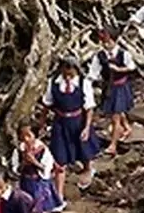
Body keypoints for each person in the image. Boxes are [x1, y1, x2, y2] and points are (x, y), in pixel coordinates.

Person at [42, 54, 101, 197]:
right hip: (60, 121)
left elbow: (89, 108)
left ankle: (88, 168)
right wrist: (42, 123)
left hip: (77, 120)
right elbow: (47, 104)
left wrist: (86, 127)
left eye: (71, 73)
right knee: (59, 156)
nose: (68, 76)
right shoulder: (54, 83)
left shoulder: (82, 83)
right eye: (65, 72)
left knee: (83, 148)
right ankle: (59, 194)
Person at [10, 122, 64, 213]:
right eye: (22, 136)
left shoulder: (42, 149)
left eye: (28, 135)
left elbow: (47, 167)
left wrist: (35, 162)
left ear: (35, 135)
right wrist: (23, 163)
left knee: (38, 209)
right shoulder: (19, 151)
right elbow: (15, 169)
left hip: (38, 182)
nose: (26, 139)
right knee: (25, 206)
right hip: (25, 181)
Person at [87, 28, 136, 156]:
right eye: (103, 42)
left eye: (108, 42)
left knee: (115, 117)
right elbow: (93, 73)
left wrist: (119, 69)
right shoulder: (99, 56)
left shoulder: (123, 54)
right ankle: (127, 127)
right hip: (108, 87)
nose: (106, 44)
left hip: (121, 87)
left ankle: (113, 145)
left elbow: (131, 67)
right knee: (115, 112)